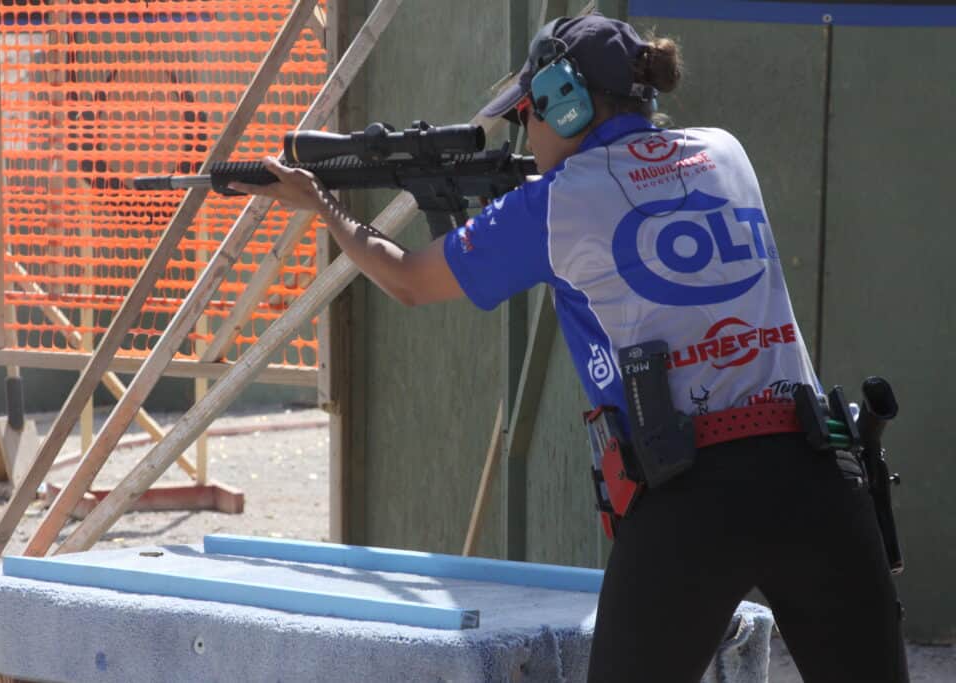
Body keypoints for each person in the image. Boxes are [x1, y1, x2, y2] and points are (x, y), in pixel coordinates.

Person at [230, 13, 908, 682]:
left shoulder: (558, 203)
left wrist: (324, 206)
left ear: (566, 99)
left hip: (693, 499)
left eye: (530, 111)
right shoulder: (726, 151)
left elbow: (408, 279)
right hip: (819, 475)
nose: (527, 127)